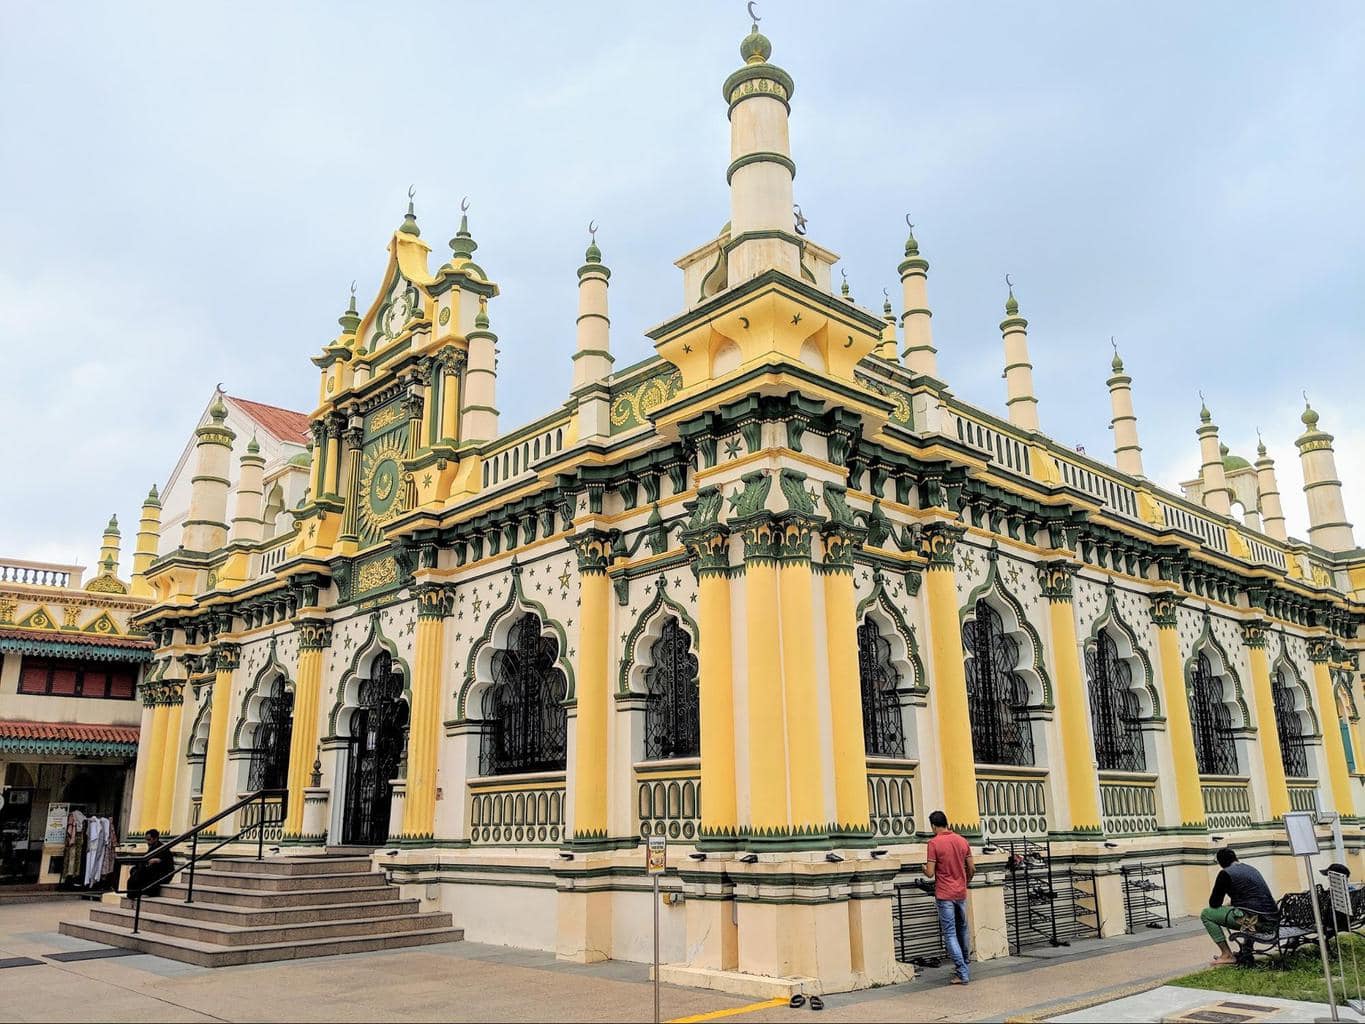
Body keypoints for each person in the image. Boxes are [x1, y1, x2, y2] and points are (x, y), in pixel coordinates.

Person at [924, 809, 975, 985]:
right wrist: (965, 881)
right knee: (963, 929)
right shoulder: (962, 840)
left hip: (945, 894)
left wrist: (923, 868)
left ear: (933, 826)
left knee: (950, 933)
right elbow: (972, 868)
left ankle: (962, 971)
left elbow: (930, 873)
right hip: (961, 892)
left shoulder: (934, 843)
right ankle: (965, 965)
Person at [1202, 847, 1276, 965]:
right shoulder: (1250, 868)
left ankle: (1227, 955)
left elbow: (1214, 903)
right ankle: (1246, 950)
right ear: (1235, 858)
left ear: (1221, 863)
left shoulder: (1225, 873)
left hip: (1257, 922)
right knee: (1242, 911)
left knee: (1206, 914)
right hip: (1272, 919)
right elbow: (1252, 895)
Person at [127, 830, 176, 898]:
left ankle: (145, 892)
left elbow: (169, 865)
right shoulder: (151, 848)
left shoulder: (163, 849)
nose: (147, 842)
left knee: (145, 872)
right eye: (146, 840)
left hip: (162, 873)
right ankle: (133, 893)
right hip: (152, 870)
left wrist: (159, 861)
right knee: (135, 870)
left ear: (155, 838)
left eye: (149, 840)